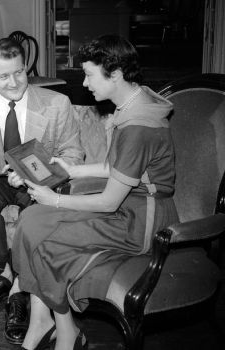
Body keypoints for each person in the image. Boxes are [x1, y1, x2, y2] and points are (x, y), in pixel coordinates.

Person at [10, 35, 179, 350]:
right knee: (32, 218)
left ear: (114, 75)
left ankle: (65, 328)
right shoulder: (132, 102)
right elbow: (116, 169)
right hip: (128, 203)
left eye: (89, 74)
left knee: (48, 239)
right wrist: (70, 169)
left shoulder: (138, 126)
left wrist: (56, 199)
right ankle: (41, 318)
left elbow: (110, 200)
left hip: (140, 220)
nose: (85, 83)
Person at [0, 37, 84, 344]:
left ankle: (14, 286)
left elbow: (74, 156)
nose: (14, 82)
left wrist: (34, 176)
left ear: (26, 68)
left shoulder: (56, 104)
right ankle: (4, 271)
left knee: (36, 207)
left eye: (19, 72)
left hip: (38, 181)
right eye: (3, 76)